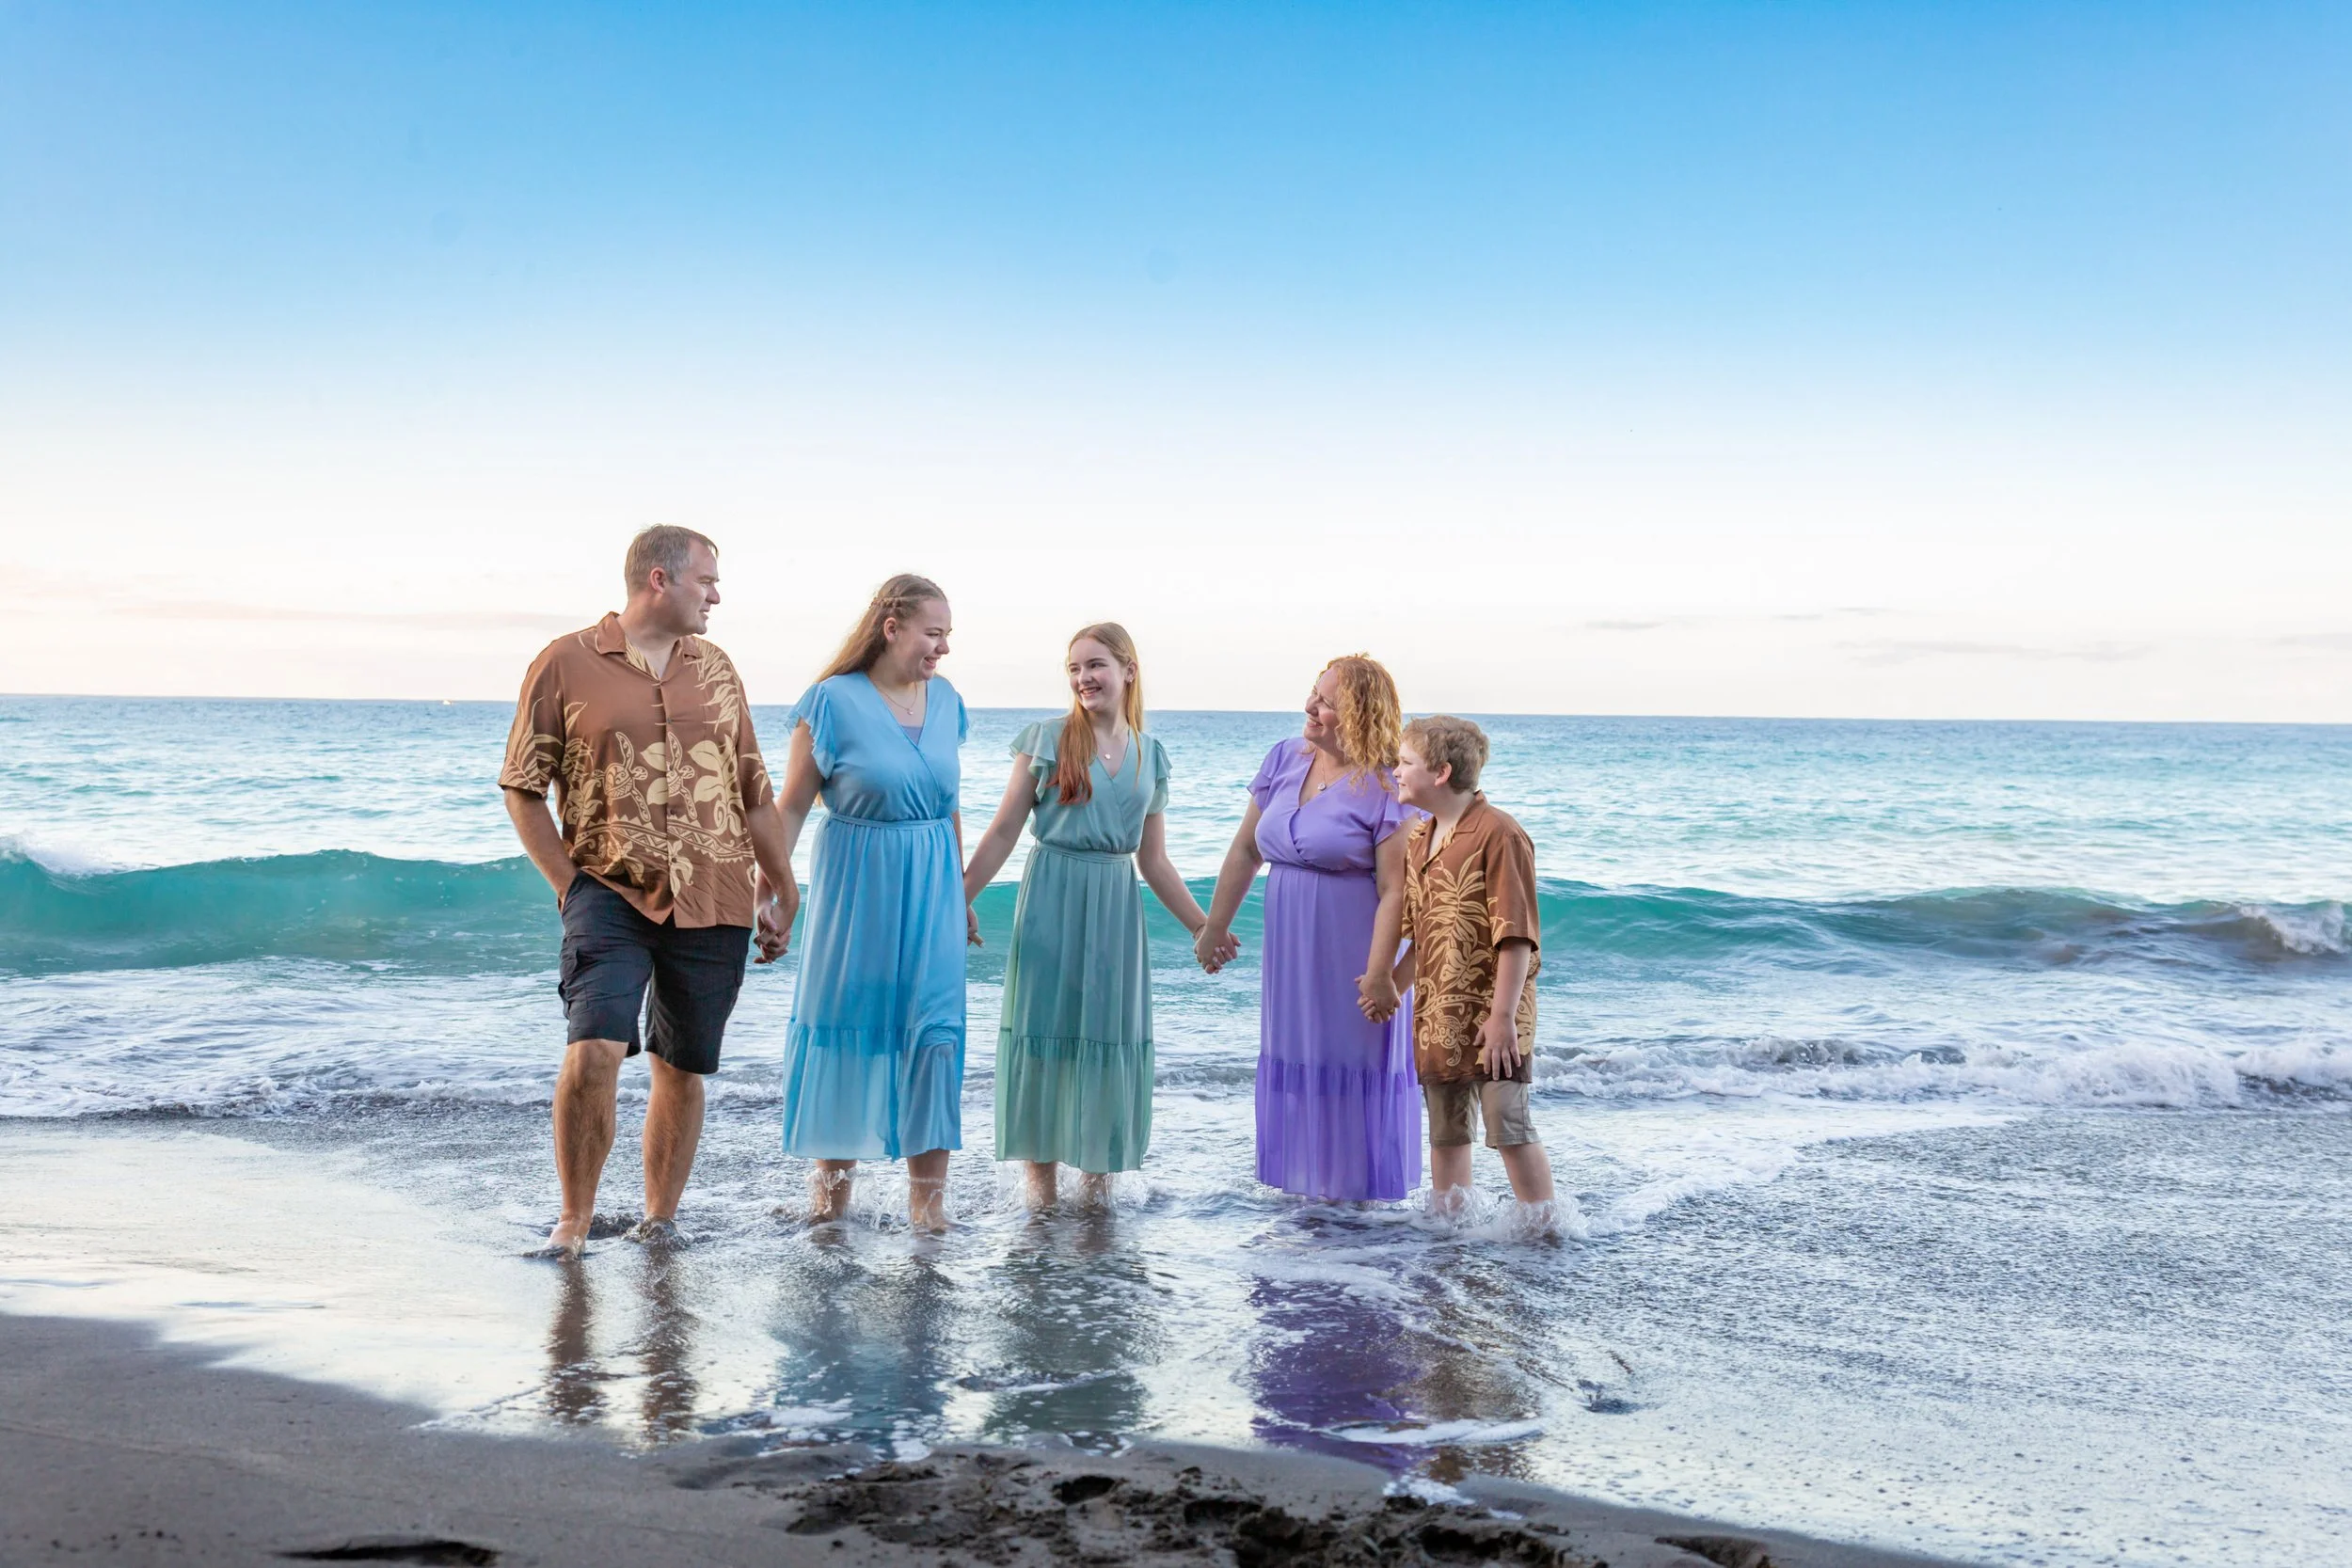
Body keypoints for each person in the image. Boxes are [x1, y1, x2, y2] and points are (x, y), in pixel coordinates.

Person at [499, 526, 798, 1259]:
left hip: (717, 889)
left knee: (682, 1064)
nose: (717, 595)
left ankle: (659, 1220)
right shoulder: (565, 662)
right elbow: (523, 786)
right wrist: (567, 884)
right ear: (659, 580)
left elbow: (754, 789)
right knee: (594, 1046)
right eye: (707, 580)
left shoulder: (719, 669)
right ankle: (573, 1220)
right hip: (608, 885)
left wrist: (781, 883)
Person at [962, 624, 1214, 1209]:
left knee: (1106, 1035)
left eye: (1095, 665)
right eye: (1074, 669)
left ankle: (1096, 1193)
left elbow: (1154, 860)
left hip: (1115, 907)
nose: (1083, 679)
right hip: (1051, 893)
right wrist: (959, 897)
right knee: (1045, 1035)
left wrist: (1202, 926)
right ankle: (1041, 1193)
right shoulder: (1048, 739)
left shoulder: (1153, 756)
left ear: (1128, 670)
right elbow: (1002, 831)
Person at [770, 575, 970, 1230]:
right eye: (932, 632)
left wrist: (961, 893)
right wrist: (770, 893)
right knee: (846, 1031)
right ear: (893, 628)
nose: (941, 647)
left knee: (934, 1037)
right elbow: (792, 807)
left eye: (946, 635)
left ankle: (929, 1214)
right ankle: (829, 1208)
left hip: (933, 891)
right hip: (857, 892)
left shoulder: (947, 702)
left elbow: (947, 805)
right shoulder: (831, 701)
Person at [1195, 656, 1421, 1202]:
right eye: (1312, 694)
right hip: (1292, 942)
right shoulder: (1284, 759)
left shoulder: (1388, 784)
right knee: (1300, 1061)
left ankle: (1351, 1210)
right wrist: (1213, 927)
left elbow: (1397, 889)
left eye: (1325, 702)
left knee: (1350, 1063)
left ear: (1360, 714)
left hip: (1354, 945)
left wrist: (1381, 973)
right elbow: (1247, 850)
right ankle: (1309, 1200)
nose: (1309, 708)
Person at [1387, 716, 1556, 1211]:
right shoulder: (1419, 839)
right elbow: (1423, 935)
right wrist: (1390, 993)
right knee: (1446, 1132)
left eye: (1405, 763)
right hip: (1438, 1016)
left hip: (1494, 1015)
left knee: (1508, 1126)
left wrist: (1502, 1019)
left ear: (1440, 773)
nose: (1395, 772)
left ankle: (1544, 1232)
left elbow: (1516, 935)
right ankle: (1450, 1232)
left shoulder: (1498, 834)